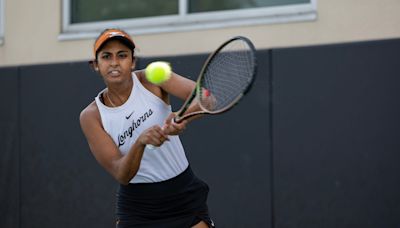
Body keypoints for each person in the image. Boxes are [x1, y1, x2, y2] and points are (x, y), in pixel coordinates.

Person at [79, 28, 215, 228]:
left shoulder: (153, 78)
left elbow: (207, 98)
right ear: (95, 65)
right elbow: (121, 173)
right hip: (139, 208)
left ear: (133, 61)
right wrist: (140, 142)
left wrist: (183, 117)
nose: (115, 62)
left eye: (122, 55)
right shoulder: (91, 116)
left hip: (183, 194)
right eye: (106, 56)